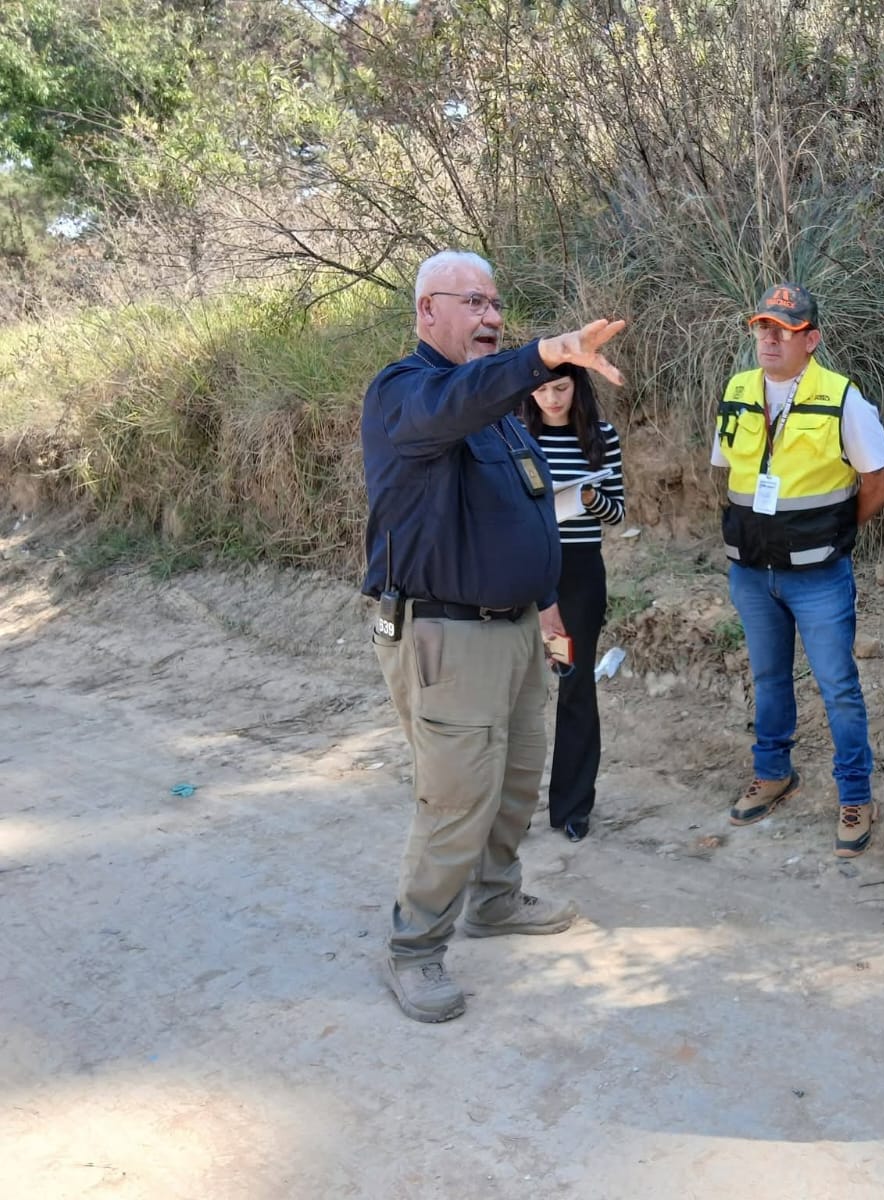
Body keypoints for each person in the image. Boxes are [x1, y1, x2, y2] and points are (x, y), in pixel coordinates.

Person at [362, 248, 625, 1023]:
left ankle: (496, 899)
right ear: (426, 312)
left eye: (496, 303)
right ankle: (414, 950)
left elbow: (531, 509)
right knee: (456, 797)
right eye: (471, 302)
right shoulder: (405, 395)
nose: (491, 316)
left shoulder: (497, 420)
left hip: (516, 629)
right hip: (447, 634)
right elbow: (457, 401)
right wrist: (543, 354)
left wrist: (546, 606)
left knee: (514, 780)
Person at [712, 283, 884, 856]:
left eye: (784, 329)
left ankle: (855, 796)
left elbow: (881, 481)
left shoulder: (843, 398)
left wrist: (837, 532)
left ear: (810, 339)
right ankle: (773, 773)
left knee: (838, 688)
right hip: (750, 571)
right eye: (763, 327)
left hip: (817, 575)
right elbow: (724, 472)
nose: (769, 338)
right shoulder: (739, 390)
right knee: (767, 678)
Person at [524, 364, 626, 843]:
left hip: (579, 579)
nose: (552, 399)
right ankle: (510, 807)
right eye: (542, 390)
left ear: (577, 386)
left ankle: (572, 806)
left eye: (561, 388)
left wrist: (589, 496)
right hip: (527, 574)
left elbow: (618, 510)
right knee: (519, 687)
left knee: (573, 682)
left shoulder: (601, 436)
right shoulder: (518, 436)